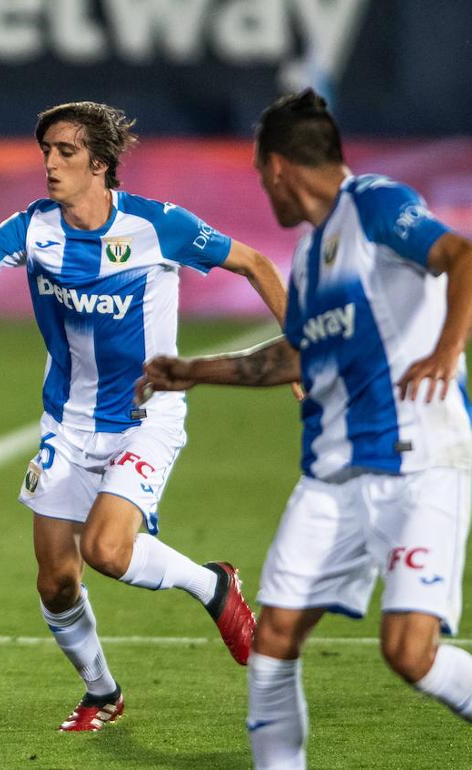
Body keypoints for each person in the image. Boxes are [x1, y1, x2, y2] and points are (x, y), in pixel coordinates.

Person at [136, 89, 472, 768]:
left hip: (417, 463)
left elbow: (461, 256)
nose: (264, 191)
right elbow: (294, 356)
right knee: (275, 639)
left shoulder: (376, 204)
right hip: (331, 477)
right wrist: (193, 369)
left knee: (409, 652)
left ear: (279, 167)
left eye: (262, 178)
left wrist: (443, 351)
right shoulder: (311, 259)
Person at [0, 101, 288, 732]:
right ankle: (102, 693)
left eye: (65, 152)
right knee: (55, 582)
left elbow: (256, 264)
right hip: (66, 423)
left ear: (100, 164)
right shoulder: (35, 226)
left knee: (106, 549)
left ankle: (213, 587)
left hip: (146, 416)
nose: (50, 164)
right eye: (46, 151)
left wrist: (304, 354)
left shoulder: (158, 226)